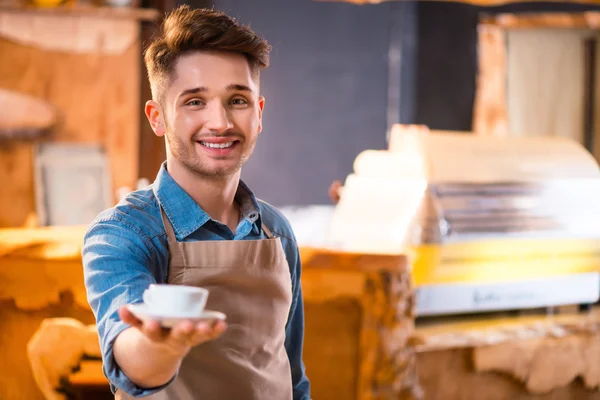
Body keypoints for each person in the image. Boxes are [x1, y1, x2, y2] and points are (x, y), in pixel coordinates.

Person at [82, 5, 310, 399]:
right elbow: (132, 358)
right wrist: (162, 346)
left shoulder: (277, 232)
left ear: (258, 113)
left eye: (237, 100)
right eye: (194, 102)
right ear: (158, 118)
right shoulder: (124, 233)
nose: (220, 122)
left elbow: (292, 377)